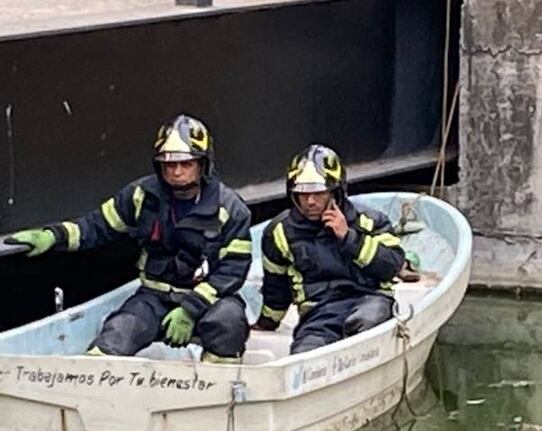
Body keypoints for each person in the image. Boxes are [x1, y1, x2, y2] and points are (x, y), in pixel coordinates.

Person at [2, 114, 252, 363]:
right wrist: (52, 236)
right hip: (154, 298)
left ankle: (214, 388)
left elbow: (233, 270)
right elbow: (95, 227)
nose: (176, 172)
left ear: (202, 163)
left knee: (228, 322)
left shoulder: (230, 209)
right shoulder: (140, 196)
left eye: (185, 164)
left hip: (208, 300)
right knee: (117, 333)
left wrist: (190, 310)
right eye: (168, 165)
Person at [253, 144, 405, 354]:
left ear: (336, 191)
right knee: (304, 355)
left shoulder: (370, 221)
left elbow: (391, 266)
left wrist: (349, 238)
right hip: (319, 313)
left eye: (319, 193)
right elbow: (276, 288)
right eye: (303, 194)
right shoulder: (279, 232)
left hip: (369, 301)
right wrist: (266, 322)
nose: (311, 201)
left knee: (366, 326)